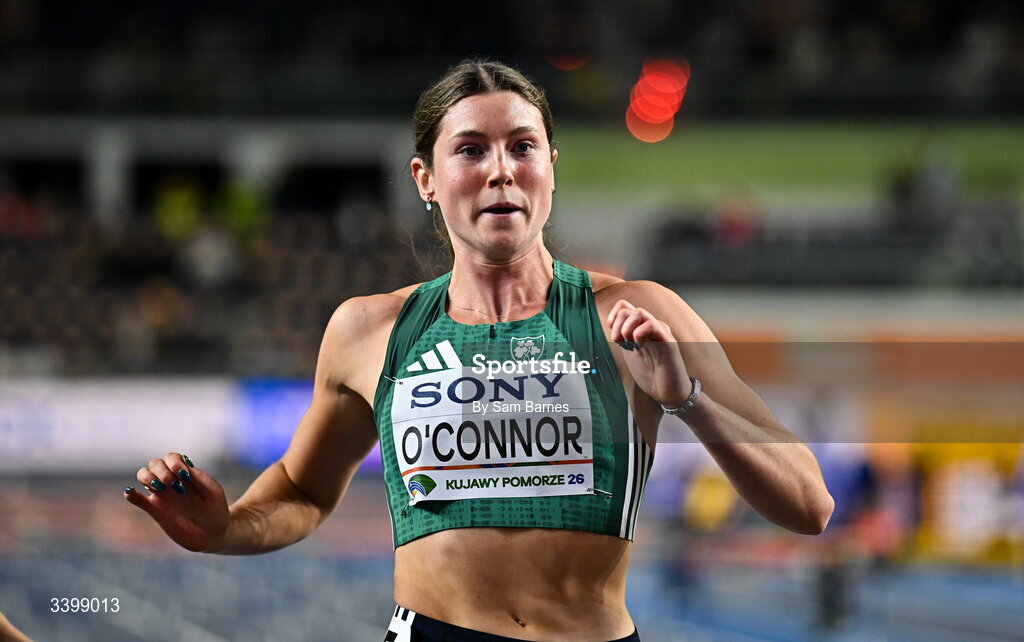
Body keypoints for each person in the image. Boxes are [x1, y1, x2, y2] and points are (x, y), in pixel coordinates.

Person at [125, 59, 834, 641]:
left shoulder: (636, 315)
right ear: (425, 180)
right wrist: (223, 529)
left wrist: (687, 401)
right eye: (470, 149)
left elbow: (810, 505)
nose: (501, 170)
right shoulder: (369, 332)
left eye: (522, 146)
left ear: (550, 168)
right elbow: (304, 493)